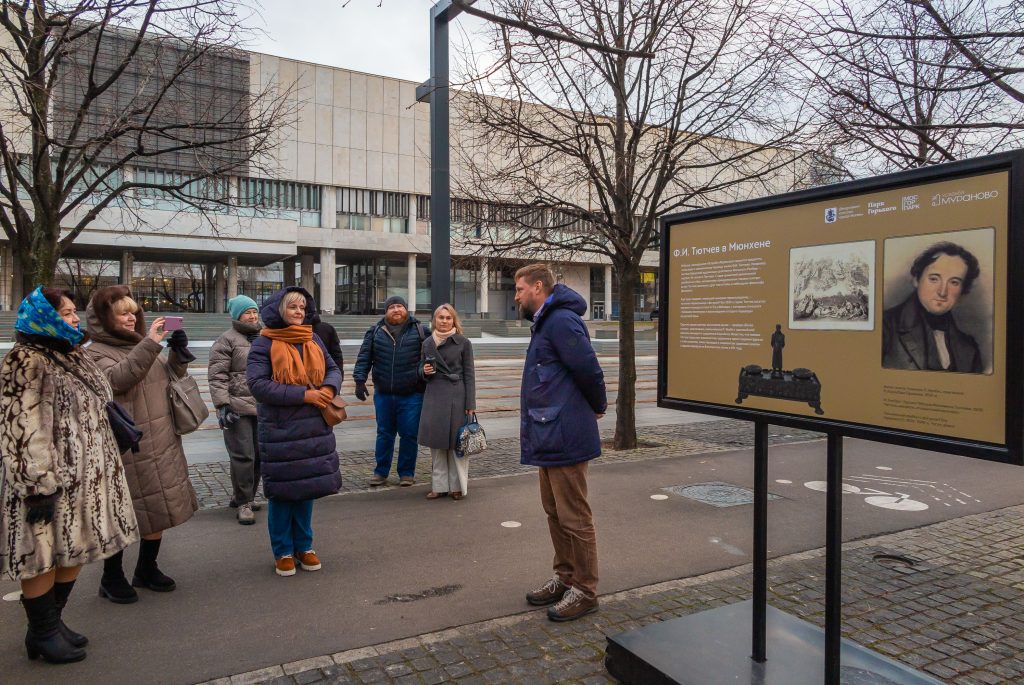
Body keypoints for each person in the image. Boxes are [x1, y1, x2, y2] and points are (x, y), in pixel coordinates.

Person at [0, 287, 138, 664]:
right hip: (46, 483)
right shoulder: (24, 360)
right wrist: (37, 486)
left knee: (71, 551)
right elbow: (21, 429)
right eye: (65, 313)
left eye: (74, 312)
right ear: (43, 317)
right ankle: (43, 632)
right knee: (40, 555)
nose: (75, 319)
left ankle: (50, 625)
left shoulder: (71, 353)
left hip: (85, 480)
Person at [86, 285, 198, 603]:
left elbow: (168, 375)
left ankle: (146, 568)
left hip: (160, 440)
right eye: (122, 313)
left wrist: (178, 352)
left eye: (134, 311)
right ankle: (112, 576)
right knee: (122, 511)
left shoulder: (143, 346)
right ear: (104, 319)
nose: (131, 317)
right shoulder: (95, 353)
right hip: (125, 447)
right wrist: (150, 342)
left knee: (158, 508)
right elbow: (120, 379)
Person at [514, 263, 607, 622]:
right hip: (549, 432)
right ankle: (566, 576)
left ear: (539, 287)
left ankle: (585, 589)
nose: (517, 296)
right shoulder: (545, 322)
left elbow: (589, 369)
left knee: (574, 516)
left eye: (520, 289)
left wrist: (597, 406)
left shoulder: (561, 321)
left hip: (565, 433)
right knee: (555, 513)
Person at [246, 287, 342, 577]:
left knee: (306, 490)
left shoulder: (312, 338)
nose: (299, 312)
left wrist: (327, 388)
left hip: (313, 426)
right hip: (281, 428)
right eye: (292, 308)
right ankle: (283, 551)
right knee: (283, 493)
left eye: (302, 307)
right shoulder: (263, 343)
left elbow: (334, 368)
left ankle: (305, 546)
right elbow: (259, 385)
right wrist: (304, 395)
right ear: (279, 311)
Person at [352, 295, 428, 487]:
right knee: (384, 433)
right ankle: (381, 471)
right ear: (386, 311)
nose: (396, 310)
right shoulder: (375, 331)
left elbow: (430, 358)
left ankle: (406, 473)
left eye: (400, 306)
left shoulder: (420, 330)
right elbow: (364, 357)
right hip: (384, 394)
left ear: (406, 310)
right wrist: (359, 381)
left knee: (409, 434)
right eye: (392, 307)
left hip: (412, 394)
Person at [882, 241, 984, 373]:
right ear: (916, 279)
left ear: (962, 292)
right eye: (934, 279)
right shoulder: (884, 327)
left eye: (954, 282)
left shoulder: (969, 348)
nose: (942, 292)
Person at [209, 295, 263, 525]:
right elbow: (217, 376)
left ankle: (246, 495)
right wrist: (223, 405)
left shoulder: (263, 337)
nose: (252, 316)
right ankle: (243, 503)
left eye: (254, 312)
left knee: (260, 455)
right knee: (243, 455)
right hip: (237, 407)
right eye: (247, 313)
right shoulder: (226, 340)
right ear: (237, 316)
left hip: (262, 406)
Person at [418, 304, 476, 501]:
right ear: (434, 320)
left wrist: (471, 403)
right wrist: (423, 372)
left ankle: (457, 486)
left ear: (454, 321)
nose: (444, 321)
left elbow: (469, 374)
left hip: (456, 396)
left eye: (448, 318)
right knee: (437, 446)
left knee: (456, 444)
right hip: (434, 395)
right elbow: (420, 367)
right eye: (440, 317)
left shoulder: (463, 342)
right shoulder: (427, 343)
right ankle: (439, 486)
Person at [312, 313, 345, 383]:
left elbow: (336, 355)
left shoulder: (326, 328)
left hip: (325, 377)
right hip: (326, 378)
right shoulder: (327, 327)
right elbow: (337, 355)